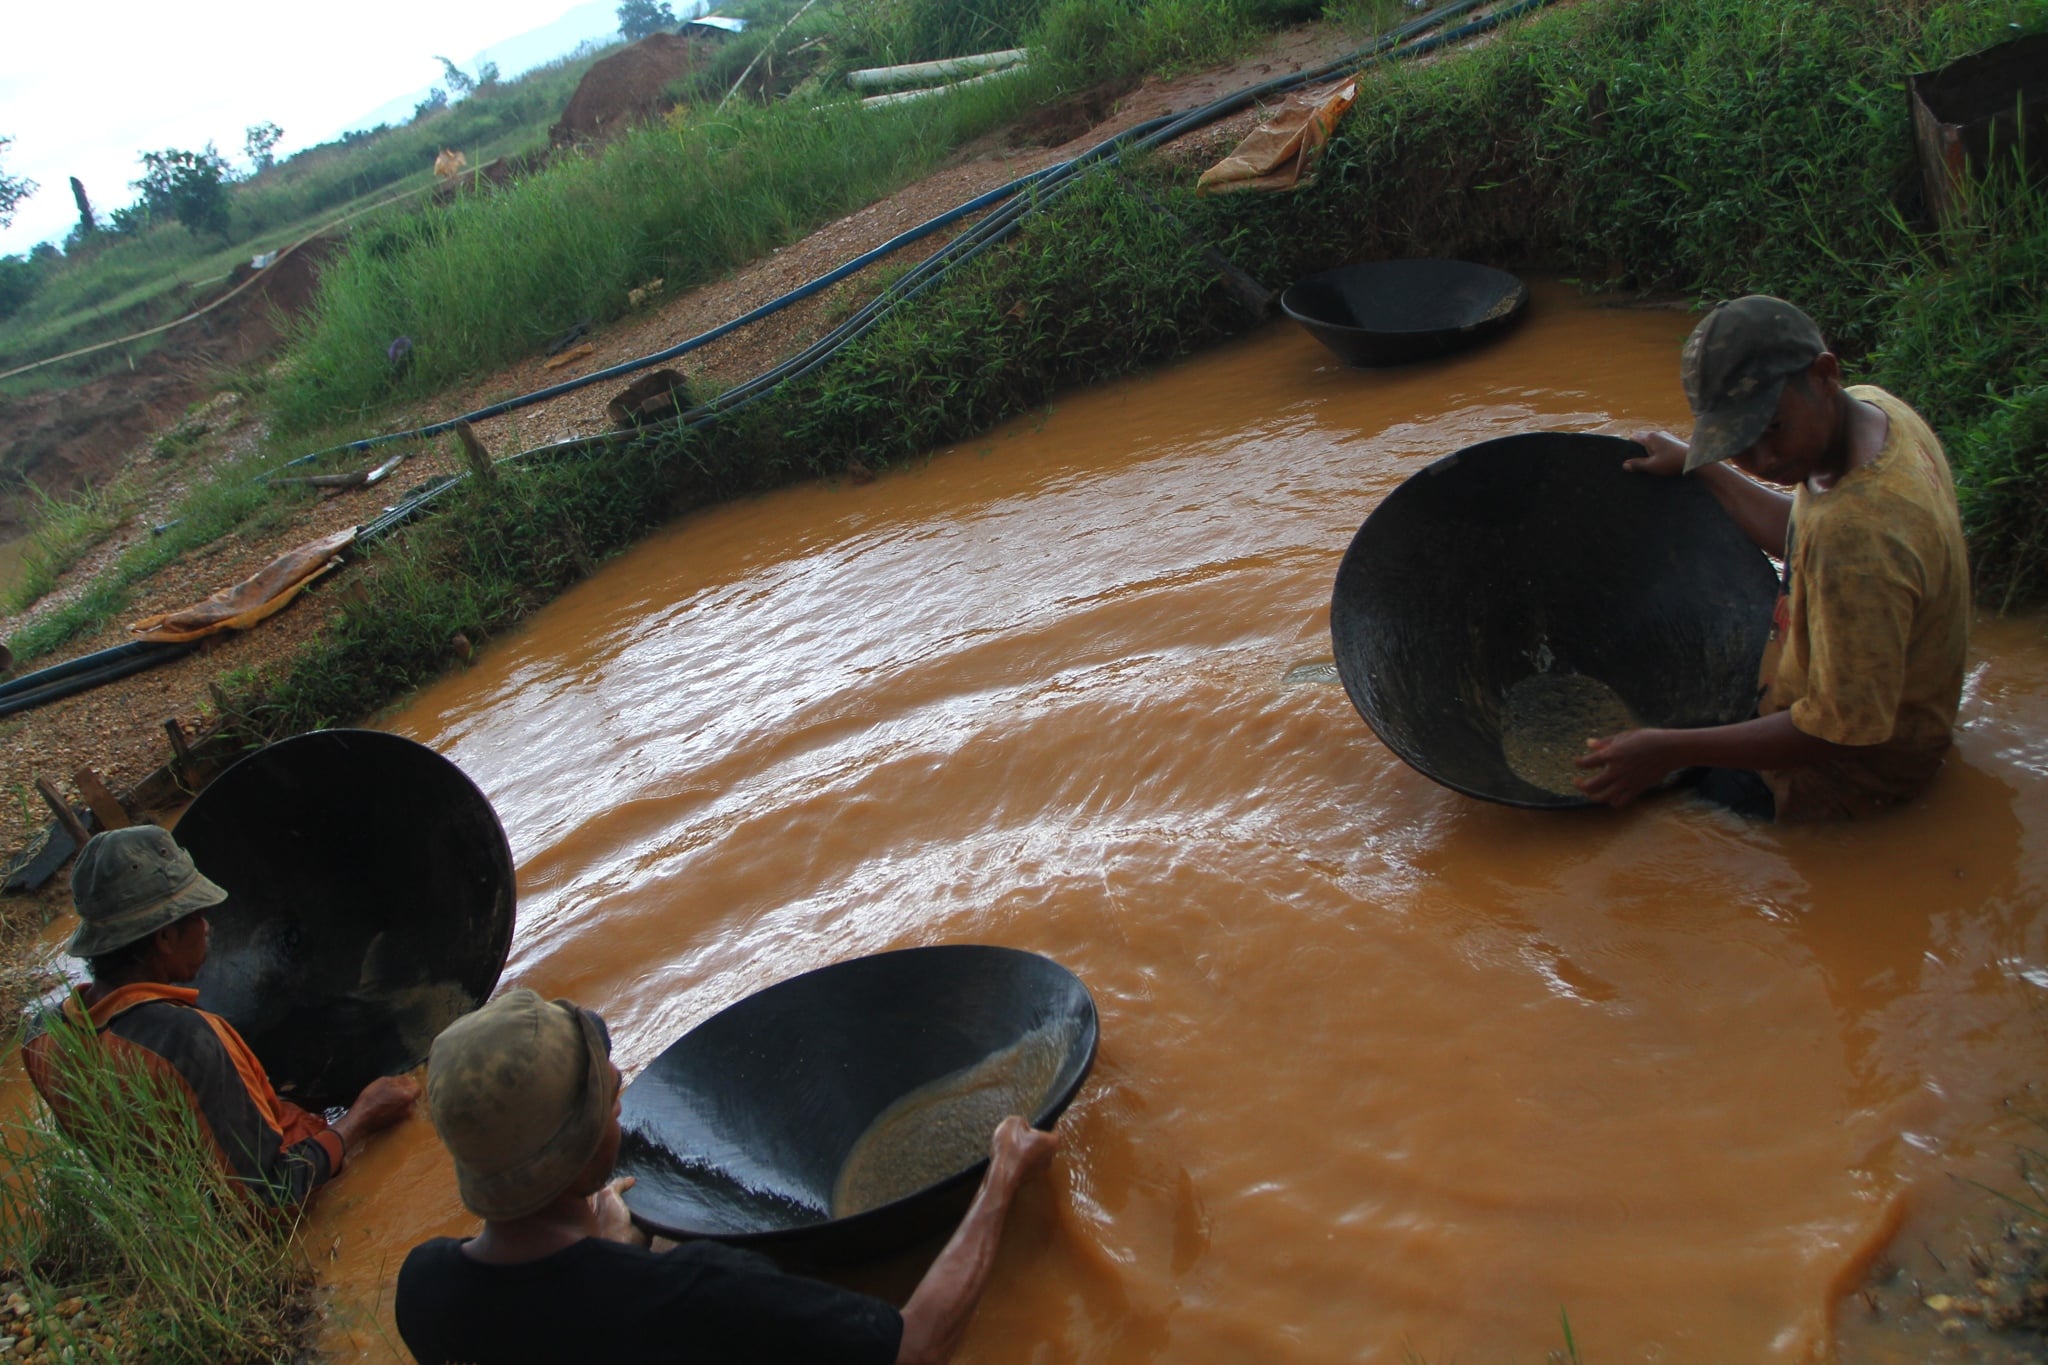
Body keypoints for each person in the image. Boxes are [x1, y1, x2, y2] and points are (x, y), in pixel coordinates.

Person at [396, 988, 1060, 1365]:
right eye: (607, 1093)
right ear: (577, 1141)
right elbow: (913, 1346)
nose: (621, 1088)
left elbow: (560, 1314)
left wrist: (603, 1247)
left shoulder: (424, 1288)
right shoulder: (694, 1292)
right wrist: (1000, 1176)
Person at [1574, 294, 1971, 821]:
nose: (1762, 460)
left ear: (1823, 374)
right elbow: (1802, 531)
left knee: (1653, 827)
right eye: (1736, 442)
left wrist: (1670, 749)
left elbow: (1838, 734)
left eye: (1772, 428)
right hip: (1894, 716)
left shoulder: (1857, 536)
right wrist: (1703, 469)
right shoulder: (1875, 413)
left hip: (1845, 778)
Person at [22, 826, 420, 1204]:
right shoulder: (184, 1038)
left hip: (176, 1218)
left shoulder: (42, 1034)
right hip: (286, 1202)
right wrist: (359, 1119)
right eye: (197, 915)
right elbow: (272, 1196)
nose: (208, 927)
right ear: (164, 938)